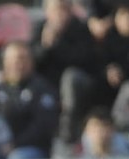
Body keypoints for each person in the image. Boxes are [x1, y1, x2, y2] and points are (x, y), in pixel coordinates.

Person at [34, 0, 102, 141]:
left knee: (70, 78)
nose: (60, 14)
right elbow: (33, 63)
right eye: (56, 9)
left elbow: (83, 61)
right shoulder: (39, 29)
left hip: (79, 83)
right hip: (49, 85)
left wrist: (57, 44)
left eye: (64, 9)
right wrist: (45, 46)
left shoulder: (81, 29)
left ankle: (68, 128)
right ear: (47, 12)